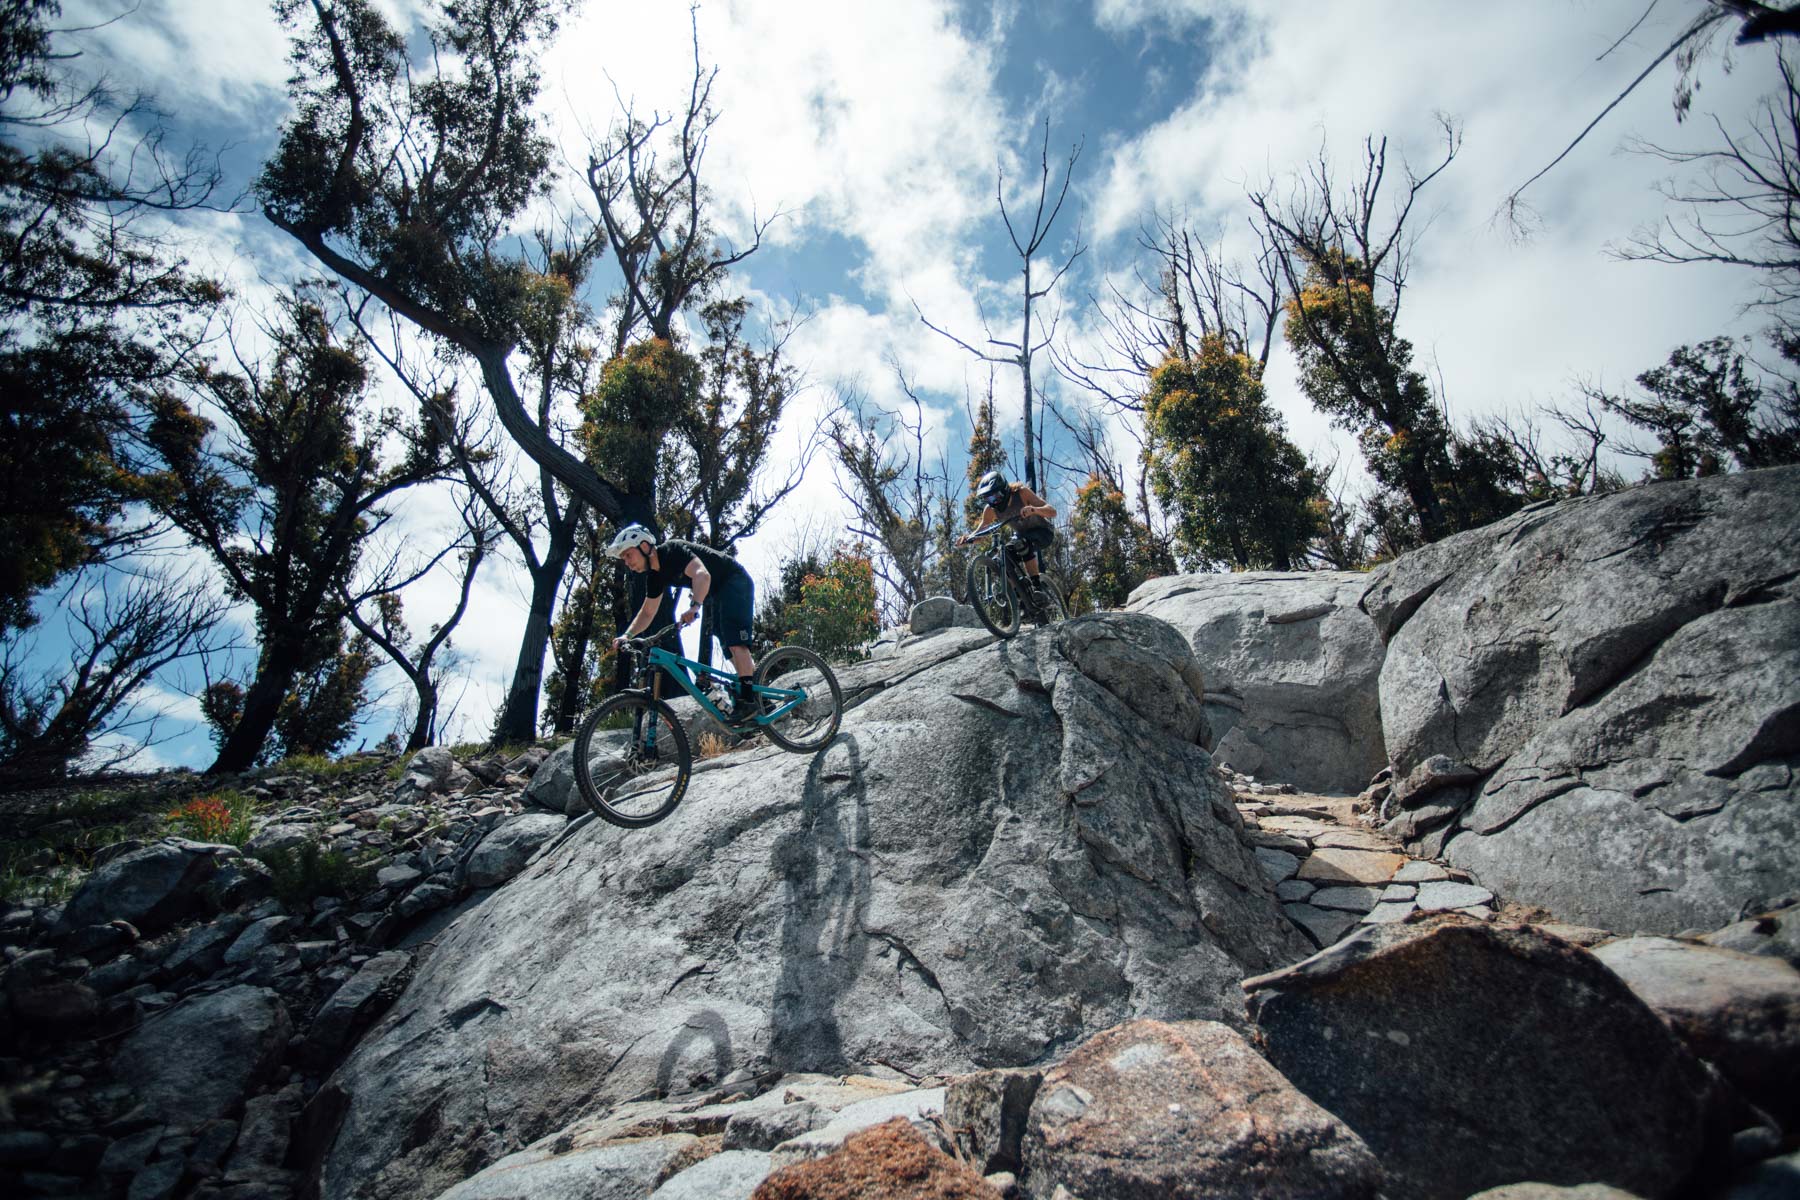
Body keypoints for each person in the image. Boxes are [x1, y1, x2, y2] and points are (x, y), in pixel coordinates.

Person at [605, 524, 760, 722]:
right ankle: (758, 695)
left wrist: (695, 607)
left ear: (644, 546)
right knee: (728, 646)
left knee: (736, 642)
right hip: (717, 593)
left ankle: (748, 702)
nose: (626, 562)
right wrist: (627, 635)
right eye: (623, 558)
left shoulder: (672, 551)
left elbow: (702, 575)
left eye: (628, 555)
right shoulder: (654, 576)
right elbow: (648, 612)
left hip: (733, 580)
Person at [956, 469, 1057, 591]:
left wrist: (1034, 510)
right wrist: (968, 539)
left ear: (1004, 489)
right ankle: (1020, 596)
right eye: (988, 499)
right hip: (1022, 536)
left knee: (1021, 543)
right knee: (1003, 556)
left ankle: (1037, 588)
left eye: (995, 496)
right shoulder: (990, 510)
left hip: (1043, 532)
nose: (993, 501)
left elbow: (1052, 511)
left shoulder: (1022, 493)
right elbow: (981, 533)